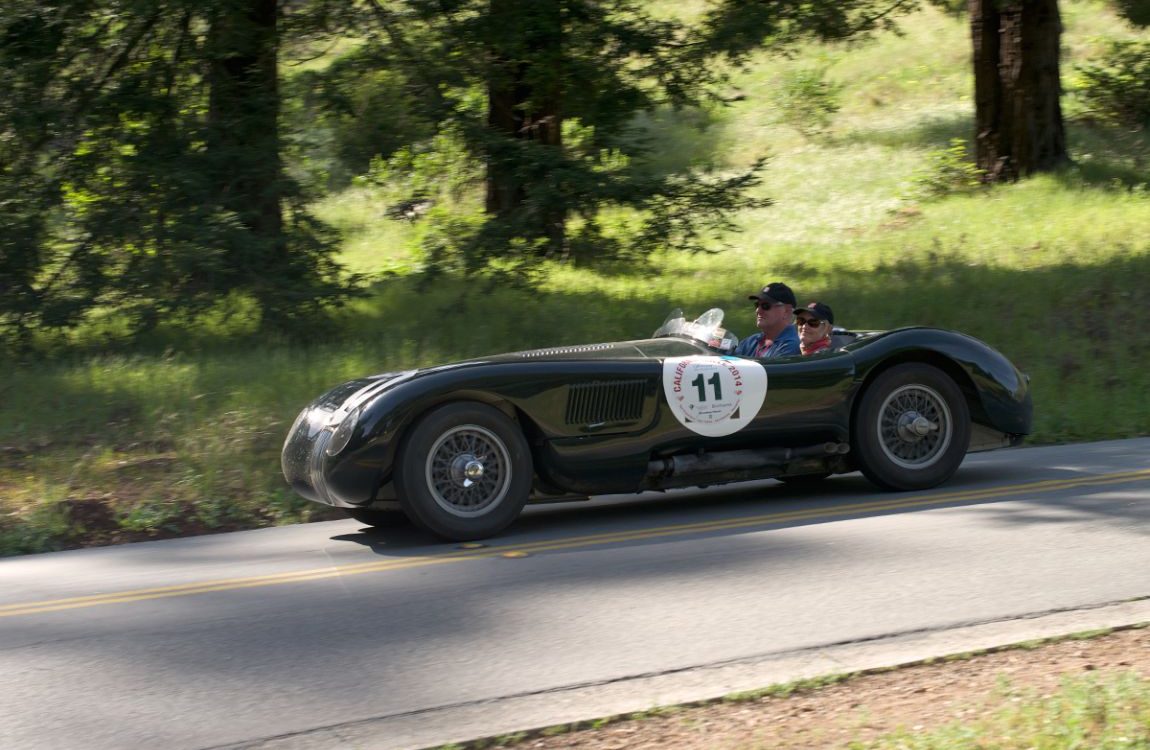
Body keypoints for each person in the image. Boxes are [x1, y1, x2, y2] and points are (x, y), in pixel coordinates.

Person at [734, 282, 800, 358]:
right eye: (757, 305)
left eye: (765, 306)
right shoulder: (751, 341)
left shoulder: (790, 345)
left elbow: (770, 369)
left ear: (786, 311)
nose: (758, 310)